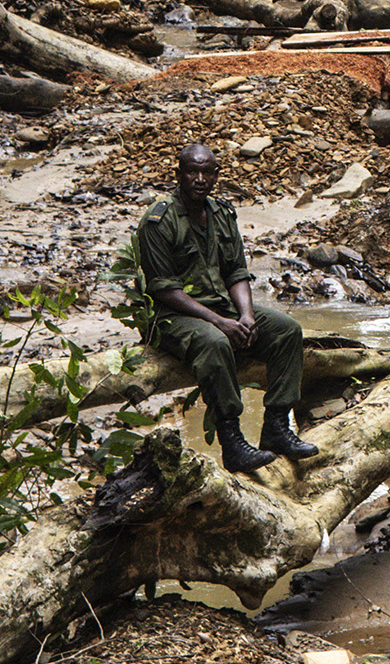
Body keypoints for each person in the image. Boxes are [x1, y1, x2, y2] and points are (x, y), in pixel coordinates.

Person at [129, 142, 317, 477]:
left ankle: (276, 426)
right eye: (191, 171)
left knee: (287, 330)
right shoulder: (159, 220)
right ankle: (232, 442)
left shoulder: (221, 213)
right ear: (179, 174)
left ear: (216, 175)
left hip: (219, 305)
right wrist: (220, 321)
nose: (199, 179)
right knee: (215, 342)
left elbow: (236, 272)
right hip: (171, 316)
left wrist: (244, 315)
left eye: (206, 172)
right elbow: (165, 289)